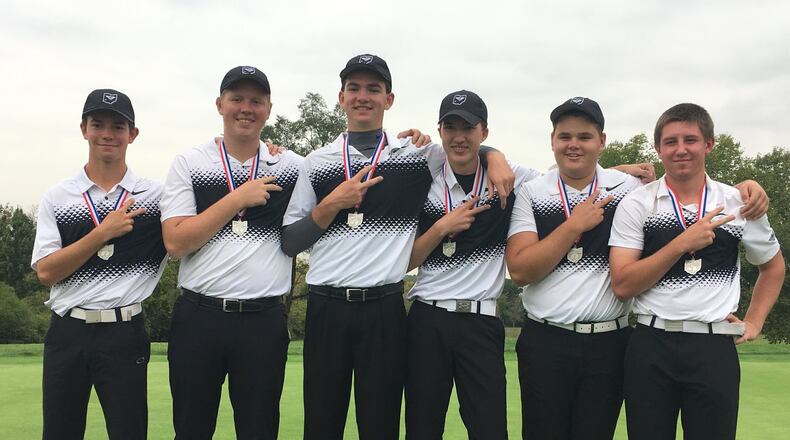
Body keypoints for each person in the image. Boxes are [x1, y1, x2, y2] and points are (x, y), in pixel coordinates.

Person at [505, 97, 768, 440]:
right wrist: (574, 226)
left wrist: (747, 187)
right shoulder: (531, 191)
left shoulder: (628, 189)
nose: (574, 144)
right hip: (545, 339)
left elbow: (683, 185)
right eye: (564, 136)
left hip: (610, 343)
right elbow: (520, 271)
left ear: (602, 141)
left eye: (584, 137)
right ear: (552, 140)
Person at [281, 54, 515, 440]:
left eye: (373, 89)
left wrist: (496, 157)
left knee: (382, 426)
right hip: (327, 309)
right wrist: (332, 204)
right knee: (321, 426)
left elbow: (466, 147)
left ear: (389, 99)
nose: (363, 97)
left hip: (385, 310)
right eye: (354, 88)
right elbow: (291, 242)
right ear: (341, 97)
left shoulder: (417, 155)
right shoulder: (316, 162)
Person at [608, 103, 784, 440]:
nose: (681, 149)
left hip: (713, 346)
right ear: (658, 149)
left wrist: (755, 322)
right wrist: (679, 244)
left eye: (690, 139)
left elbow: (773, 268)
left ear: (709, 144)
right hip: (650, 343)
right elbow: (622, 284)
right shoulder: (637, 204)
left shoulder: (739, 202)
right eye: (670, 141)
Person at [160, 66, 302, 439]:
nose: (246, 108)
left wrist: (475, 148)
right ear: (220, 105)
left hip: (262, 322)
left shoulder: (291, 165)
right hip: (199, 319)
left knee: (259, 431)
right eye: (237, 99)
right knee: (191, 430)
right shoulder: (189, 163)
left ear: (268, 109)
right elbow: (175, 242)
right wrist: (236, 199)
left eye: (256, 101)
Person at [404, 90, 542, 440]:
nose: (459, 137)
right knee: (422, 427)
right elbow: (403, 263)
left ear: (484, 132)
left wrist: (621, 171)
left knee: (490, 429)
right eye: (450, 127)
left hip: (481, 322)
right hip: (426, 319)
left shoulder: (513, 179)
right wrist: (441, 228)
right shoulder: (424, 177)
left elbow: (567, 181)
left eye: (469, 128)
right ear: (439, 131)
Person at [32, 89, 166, 439]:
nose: (108, 133)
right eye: (98, 124)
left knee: (129, 432)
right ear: (84, 129)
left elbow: (195, 217)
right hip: (67, 331)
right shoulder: (58, 197)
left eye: (118, 126)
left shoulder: (155, 197)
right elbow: (46, 271)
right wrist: (101, 233)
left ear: (132, 134)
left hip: (125, 331)